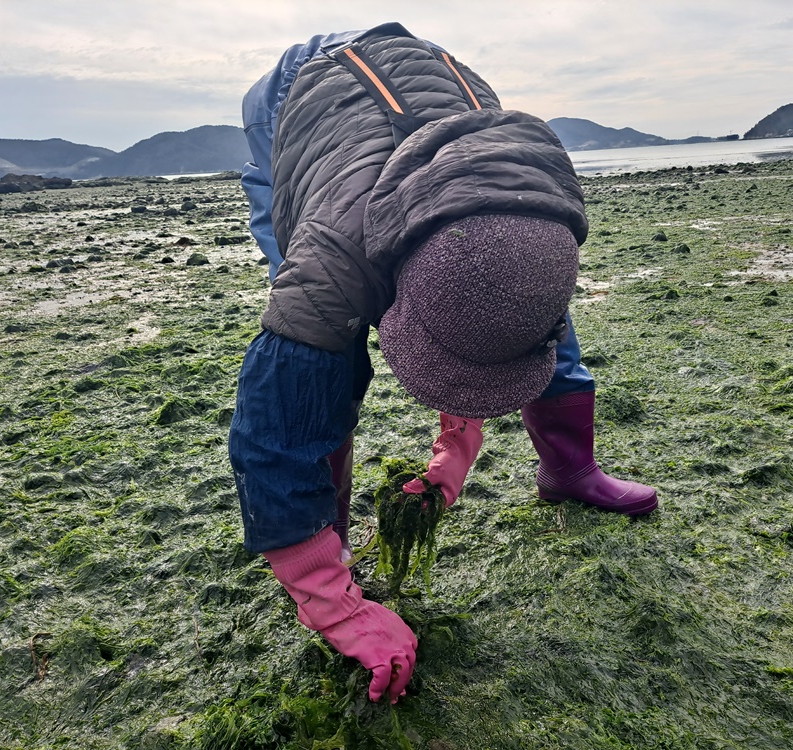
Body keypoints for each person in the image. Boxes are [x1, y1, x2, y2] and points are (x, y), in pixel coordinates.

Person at [228, 22, 657, 705]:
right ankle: (328, 538)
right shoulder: (339, 248)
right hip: (296, 100)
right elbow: (272, 429)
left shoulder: (528, 203)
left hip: (427, 85)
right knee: (316, 345)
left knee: (510, 294)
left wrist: (454, 453)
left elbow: (490, 309)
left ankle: (570, 468)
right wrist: (329, 600)